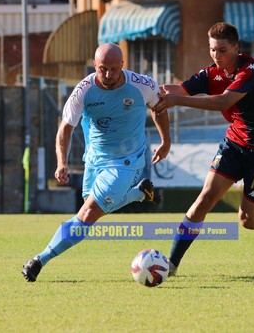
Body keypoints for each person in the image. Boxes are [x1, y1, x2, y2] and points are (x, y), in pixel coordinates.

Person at [154, 22, 254, 276]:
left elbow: (223, 101)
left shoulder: (252, 71)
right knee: (204, 200)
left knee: (248, 221)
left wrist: (177, 101)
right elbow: (178, 89)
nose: (216, 56)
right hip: (235, 143)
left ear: (236, 48)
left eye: (222, 50)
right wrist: (150, 92)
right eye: (212, 49)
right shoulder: (212, 74)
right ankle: (171, 265)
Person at [22, 43, 171, 282]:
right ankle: (139, 194)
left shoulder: (142, 85)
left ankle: (40, 259)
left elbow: (159, 108)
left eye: (114, 69)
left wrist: (166, 142)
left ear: (123, 65)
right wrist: (62, 162)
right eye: (103, 69)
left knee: (88, 214)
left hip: (127, 161)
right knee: (95, 208)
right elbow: (65, 129)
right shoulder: (83, 91)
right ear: (95, 65)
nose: (109, 75)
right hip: (95, 160)